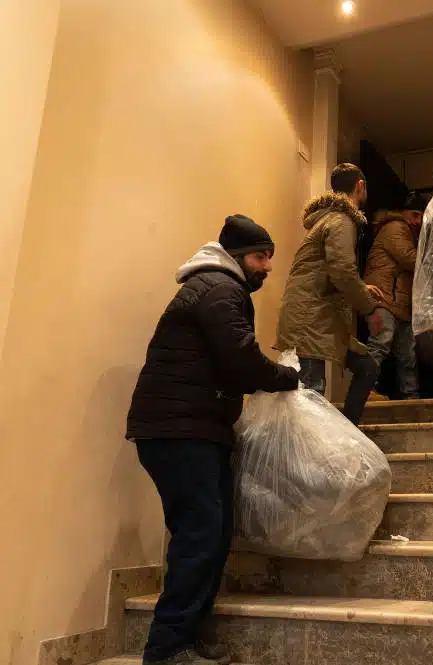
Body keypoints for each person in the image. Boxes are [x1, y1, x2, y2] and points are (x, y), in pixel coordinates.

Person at [126, 215, 300, 665]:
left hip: (191, 427)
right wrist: (287, 377)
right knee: (201, 533)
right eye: (262, 257)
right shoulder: (221, 288)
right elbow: (240, 358)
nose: (266, 268)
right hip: (180, 429)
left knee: (214, 533)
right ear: (240, 257)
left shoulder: (214, 286)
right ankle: (166, 649)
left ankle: (186, 636)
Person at [275, 163, 384, 424]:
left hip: (320, 318)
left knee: (366, 367)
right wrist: (369, 308)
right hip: (311, 321)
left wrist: (362, 288)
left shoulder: (327, 220)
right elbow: (343, 271)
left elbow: (330, 270)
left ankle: (347, 434)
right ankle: (311, 459)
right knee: (309, 400)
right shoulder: (342, 220)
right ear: (360, 186)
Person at [362, 191, 427, 400]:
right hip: (384, 299)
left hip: (397, 302)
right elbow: (409, 259)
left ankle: (411, 397)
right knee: (381, 344)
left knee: (406, 354)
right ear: (404, 213)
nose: (418, 221)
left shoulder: (405, 230)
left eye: (421, 216)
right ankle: (365, 391)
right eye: (415, 215)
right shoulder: (396, 227)